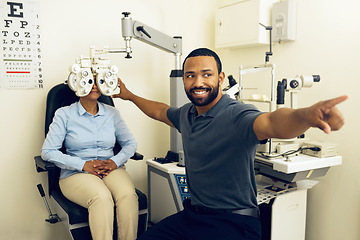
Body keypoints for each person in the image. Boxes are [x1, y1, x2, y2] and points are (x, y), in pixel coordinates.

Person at [112, 48, 347, 240]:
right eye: (190, 76)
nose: (198, 82)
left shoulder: (238, 115)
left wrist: (306, 116)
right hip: (194, 217)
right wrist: (129, 95)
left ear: (220, 78)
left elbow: (273, 122)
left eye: (207, 74)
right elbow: (161, 111)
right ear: (184, 80)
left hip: (235, 224)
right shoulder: (187, 114)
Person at [41, 80, 139, 240]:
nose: (94, 85)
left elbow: (130, 144)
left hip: (110, 168)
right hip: (76, 173)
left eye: (98, 81)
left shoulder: (112, 113)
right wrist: (83, 165)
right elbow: (48, 151)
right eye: (88, 81)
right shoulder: (64, 114)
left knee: (128, 195)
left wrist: (115, 161)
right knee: (102, 198)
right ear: (76, 84)